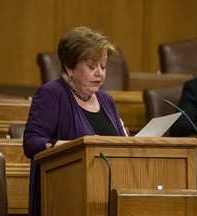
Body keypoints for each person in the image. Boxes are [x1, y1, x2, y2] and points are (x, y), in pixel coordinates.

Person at [23, 26, 127, 216]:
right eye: (91, 66)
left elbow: (121, 145)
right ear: (70, 67)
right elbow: (31, 143)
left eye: (103, 66)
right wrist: (75, 147)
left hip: (107, 197)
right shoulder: (52, 93)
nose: (99, 73)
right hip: (66, 197)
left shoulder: (106, 100)